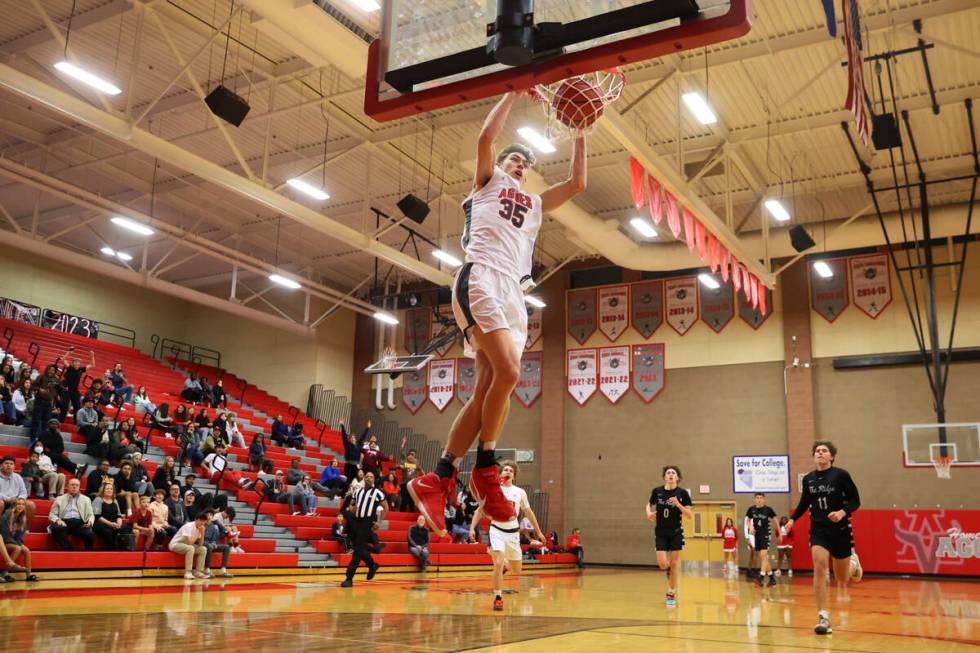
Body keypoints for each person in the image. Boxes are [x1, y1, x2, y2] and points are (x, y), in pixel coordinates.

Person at [409, 91, 588, 536]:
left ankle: (439, 477)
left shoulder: (534, 204)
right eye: (514, 161)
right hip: (481, 276)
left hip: (514, 292)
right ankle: (485, 469)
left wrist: (580, 132)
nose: (519, 167)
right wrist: (514, 92)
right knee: (508, 372)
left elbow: (578, 184)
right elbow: (486, 137)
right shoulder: (487, 182)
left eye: (524, 165)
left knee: (490, 384)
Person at [785, 440, 861, 636]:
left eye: (824, 450)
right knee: (819, 567)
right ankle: (823, 617)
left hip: (840, 529)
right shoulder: (808, 479)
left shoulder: (841, 475)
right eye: (817, 451)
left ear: (831, 456)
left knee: (842, 577)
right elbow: (804, 503)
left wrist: (842, 512)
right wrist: (793, 519)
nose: (820, 453)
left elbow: (855, 500)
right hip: (818, 530)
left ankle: (853, 562)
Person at [470, 460, 546, 612]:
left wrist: (538, 532)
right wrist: (472, 528)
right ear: (500, 473)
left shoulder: (520, 492)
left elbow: (529, 513)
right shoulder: (494, 490)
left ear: (514, 476)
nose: (508, 472)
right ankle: (498, 597)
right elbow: (479, 511)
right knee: (497, 563)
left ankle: (506, 564)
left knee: (517, 570)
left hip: (513, 534)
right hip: (496, 529)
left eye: (511, 471)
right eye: (505, 470)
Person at [646, 465, 693, 608]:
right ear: (664, 477)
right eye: (668, 473)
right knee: (662, 565)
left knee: (673, 564)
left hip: (676, 532)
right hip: (660, 532)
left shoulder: (682, 493)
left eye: (673, 473)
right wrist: (648, 513)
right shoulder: (657, 491)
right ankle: (669, 571)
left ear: (677, 477)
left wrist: (678, 504)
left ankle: (671, 593)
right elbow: (649, 504)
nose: (671, 474)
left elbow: (689, 515)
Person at [340, 472, 388, 587]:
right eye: (367, 476)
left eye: (371, 477)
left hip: (368, 522)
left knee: (357, 551)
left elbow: (386, 507)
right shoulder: (358, 491)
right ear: (364, 478)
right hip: (357, 522)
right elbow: (351, 503)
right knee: (358, 548)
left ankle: (349, 578)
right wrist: (352, 507)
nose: (369, 478)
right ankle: (372, 565)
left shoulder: (377, 492)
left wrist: (379, 522)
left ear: (374, 479)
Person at [48, 478, 95, 551]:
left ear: (79, 487)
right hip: (64, 522)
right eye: (72, 485)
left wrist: (90, 521)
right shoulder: (59, 499)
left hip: (79, 523)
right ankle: (69, 550)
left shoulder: (86, 499)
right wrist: (58, 520)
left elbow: (91, 514)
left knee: (89, 533)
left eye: (77, 485)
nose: (74, 487)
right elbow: (52, 514)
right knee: (56, 528)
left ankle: (89, 553)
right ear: (67, 486)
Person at [1, 497, 38, 582]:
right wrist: (17, 544)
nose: (20, 506)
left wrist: (18, 543)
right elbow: (4, 534)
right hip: (4, 541)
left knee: (27, 550)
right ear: (14, 505)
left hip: (13, 541)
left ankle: (29, 574)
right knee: (17, 548)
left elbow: (20, 536)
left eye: (23, 504)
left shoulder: (23, 518)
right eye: (18, 504)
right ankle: (5, 572)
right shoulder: (6, 516)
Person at [746, 493, 778, 587]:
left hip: (766, 534)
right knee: (764, 558)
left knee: (764, 555)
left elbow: (775, 520)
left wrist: (779, 533)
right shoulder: (751, 509)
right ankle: (772, 579)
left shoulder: (768, 509)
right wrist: (750, 527)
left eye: (761, 498)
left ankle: (761, 577)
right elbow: (748, 520)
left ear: (764, 499)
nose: (759, 499)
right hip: (757, 535)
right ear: (755, 499)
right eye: (757, 498)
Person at [92, 481, 134, 550]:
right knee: (107, 531)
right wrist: (111, 524)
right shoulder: (98, 499)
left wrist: (119, 524)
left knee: (127, 527)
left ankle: (124, 550)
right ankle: (111, 551)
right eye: (107, 489)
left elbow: (119, 515)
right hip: (101, 523)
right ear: (103, 490)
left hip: (113, 522)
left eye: (111, 489)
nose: (109, 490)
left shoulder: (115, 501)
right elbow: (97, 516)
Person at [169, 512, 208, 579]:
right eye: (201, 521)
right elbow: (189, 542)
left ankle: (198, 572)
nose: (202, 523)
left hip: (186, 545)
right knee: (190, 548)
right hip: (176, 544)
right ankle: (188, 572)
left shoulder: (200, 528)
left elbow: (201, 544)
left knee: (203, 549)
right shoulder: (188, 526)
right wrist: (200, 532)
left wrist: (202, 533)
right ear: (196, 520)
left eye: (204, 521)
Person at [0, 456, 35, 522]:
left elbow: (23, 492)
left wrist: (20, 499)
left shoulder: (18, 477)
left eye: (11, 464)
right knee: (0, 503)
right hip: (3, 501)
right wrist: (9, 499)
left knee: (31, 505)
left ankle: (25, 529)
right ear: (1, 465)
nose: (9, 465)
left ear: (14, 466)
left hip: (16, 501)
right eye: (6, 463)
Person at [339, 419, 371, 487]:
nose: (352, 438)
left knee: (354, 480)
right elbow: (344, 436)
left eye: (354, 437)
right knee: (347, 480)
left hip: (355, 466)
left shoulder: (358, 445)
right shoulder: (347, 444)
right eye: (351, 437)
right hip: (348, 465)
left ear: (355, 439)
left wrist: (367, 428)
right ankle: (344, 493)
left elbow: (362, 437)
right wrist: (342, 426)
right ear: (349, 439)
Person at [202, 509, 233, 578]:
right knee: (209, 546)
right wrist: (211, 544)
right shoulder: (202, 524)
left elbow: (214, 538)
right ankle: (207, 569)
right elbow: (200, 538)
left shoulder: (214, 526)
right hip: (203, 543)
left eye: (211, 515)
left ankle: (223, 570)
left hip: (211, 544)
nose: (209, 516)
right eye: (207, 515)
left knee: (226, 547)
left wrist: (214, 543)